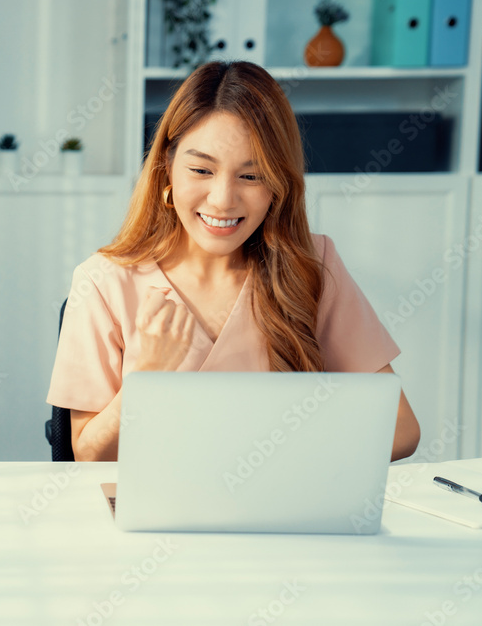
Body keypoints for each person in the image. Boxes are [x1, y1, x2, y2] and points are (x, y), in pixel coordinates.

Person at [45, 60, 420, 462]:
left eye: (251, 176)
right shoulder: (102, 282)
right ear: (167, 170)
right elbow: (87, 454)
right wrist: (145, 379)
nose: (223, 199)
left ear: (278, 185)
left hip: (277, 510)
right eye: (201, 169)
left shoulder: (313, 265)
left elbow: (400, 430)